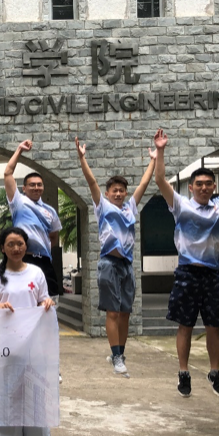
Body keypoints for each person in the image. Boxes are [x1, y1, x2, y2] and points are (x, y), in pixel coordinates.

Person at [154, 126, 219, 398]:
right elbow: (160, 180)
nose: (204, 187)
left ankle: (214, 372)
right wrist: (160, 151)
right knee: (185, 325)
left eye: (209, 184)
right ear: (191, 187)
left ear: (214, 186)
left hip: (212, 274)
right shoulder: (181, 205)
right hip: (187, 273)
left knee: (213, 326)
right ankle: (183, 372)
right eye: (199, 184)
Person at [75, 136, 157, 378]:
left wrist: (153, 160)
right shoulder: (102, 207)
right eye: (115, 191)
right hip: (109, 264)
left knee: (125, 312)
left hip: (127, 265)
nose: (119, 193)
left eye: (122, 190)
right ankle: (117, 356)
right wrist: (82, 158)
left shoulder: (130, 208)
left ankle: (119, 352)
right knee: (112, 312)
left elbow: (144, 184)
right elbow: (91, 181)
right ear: (108, 193)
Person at [0, 227, 55, 436]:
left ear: (26, 246)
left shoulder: (36, 272)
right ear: (2, 248)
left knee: (34, 391)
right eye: (10, 244)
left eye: (20, 244)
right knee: (9, 391)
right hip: (6, 343)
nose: (16, 248)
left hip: (33, 341)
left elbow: (43, 299)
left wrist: (47, 303)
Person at [3, 141, 62, 300]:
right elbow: (8, 173)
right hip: (23, 258)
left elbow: (54, 237)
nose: (36, 188)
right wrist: (19, 150)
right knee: (23, 298)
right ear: (24, 188)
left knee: (50, 299)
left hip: (44, 260)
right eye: (32, 185)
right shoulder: (18, 202)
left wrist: (42, 247)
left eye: (39, 185)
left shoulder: (50, 211)